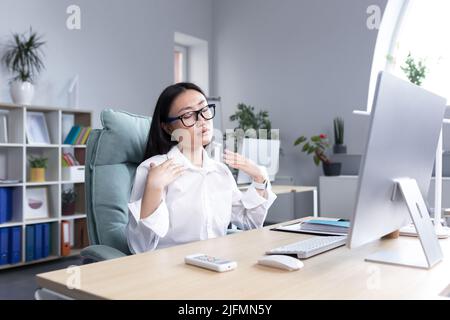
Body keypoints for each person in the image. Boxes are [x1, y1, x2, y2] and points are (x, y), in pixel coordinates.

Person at [126, 82, 277, 253]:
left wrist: (259, 178)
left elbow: (248, 222)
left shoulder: (221, 171)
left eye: (204, 109)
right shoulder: (153, 170)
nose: (202, 120)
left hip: (218, 264)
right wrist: (154, 188)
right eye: (188, 115)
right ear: (168, 127)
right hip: (172, 272)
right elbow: (140, 248)